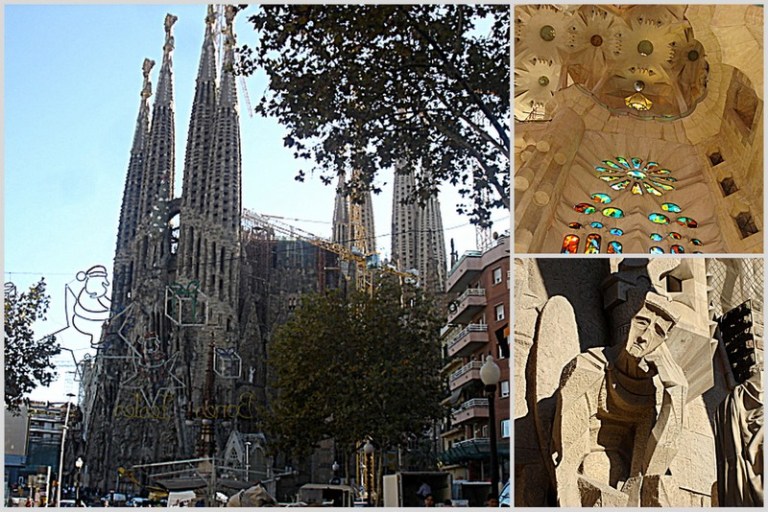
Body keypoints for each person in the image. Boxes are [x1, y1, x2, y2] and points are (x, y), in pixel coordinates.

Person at [551, 290, 686, 507]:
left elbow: (650, 470)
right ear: (629, 322)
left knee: (663, 486)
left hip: (623, 477)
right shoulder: (589, 367)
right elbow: (568, 459)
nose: (644, 337)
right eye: (641, 322)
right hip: (586, 467)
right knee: (599, 468)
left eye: (658, 332)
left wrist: (676, 391)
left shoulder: (648, 391)